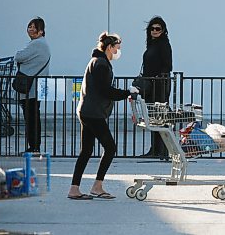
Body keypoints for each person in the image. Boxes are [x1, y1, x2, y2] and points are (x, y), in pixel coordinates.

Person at [68, 32, 139, 200]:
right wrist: (127, 92)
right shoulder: (101, 64)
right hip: (93, 113)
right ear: (109, 47)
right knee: (110, 148)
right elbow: (105, 91)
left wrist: (123, 93)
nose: (118, 52)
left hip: (87, 111)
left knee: (86, 151)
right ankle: (97, 186)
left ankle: (74, 189)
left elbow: (103, 90)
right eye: (117, 48)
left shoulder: (97, 61)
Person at [137, 16, 172, 160]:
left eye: (158, 28)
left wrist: (158, 77)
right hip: (150, 86)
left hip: (160, 86)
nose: (154, 31)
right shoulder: (151, 45)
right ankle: (155, 148)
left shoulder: (164, 44)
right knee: (152, 118)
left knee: (160, 118)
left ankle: (162, 150)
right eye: (152, 28)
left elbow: (168, 65)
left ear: (163, 30)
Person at [14, 17, 51, 154]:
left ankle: (33, 147)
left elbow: (19, 56)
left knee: (31, 119)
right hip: (35, 87)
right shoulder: (42, 43)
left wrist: (18, 55)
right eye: (29, 26)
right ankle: (35, 146)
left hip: (30, 88)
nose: (30, 29)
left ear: (41, 31)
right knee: (34, 117)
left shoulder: (36, 44)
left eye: (34, 27)